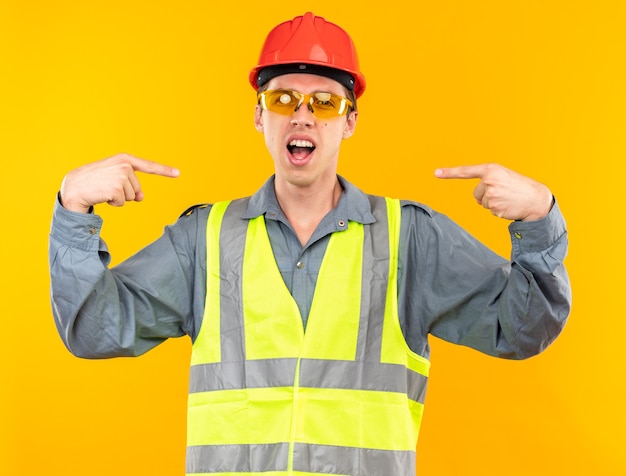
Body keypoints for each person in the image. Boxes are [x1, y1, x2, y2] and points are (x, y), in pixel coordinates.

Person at [49, 12, 571, 476]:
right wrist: (74, 210)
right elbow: (93, 330)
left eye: (324, 102)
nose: (302, 115)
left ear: (349, 121)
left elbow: (522, 330)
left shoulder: (410, 238)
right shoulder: (202, 240)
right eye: (283, 98)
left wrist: (539, 215)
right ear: (259, 116)